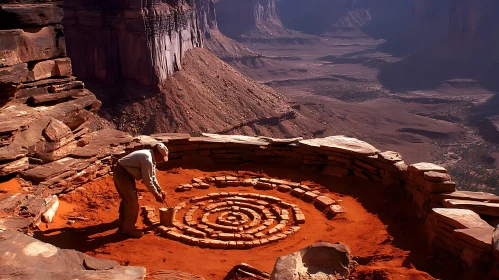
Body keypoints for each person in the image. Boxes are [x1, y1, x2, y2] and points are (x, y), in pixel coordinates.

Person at [112, 143, 168, 238]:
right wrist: (155, 194)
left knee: (128, 198)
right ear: (157, 153)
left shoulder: (150, 157)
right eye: (161, 157)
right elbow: (147, 180)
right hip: (122, 174)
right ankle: (128, 229)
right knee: (132, 201)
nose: (161, 159)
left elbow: (152, 176)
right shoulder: (147, 159)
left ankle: (123, 221)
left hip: (126, 174)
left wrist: (159, 189)